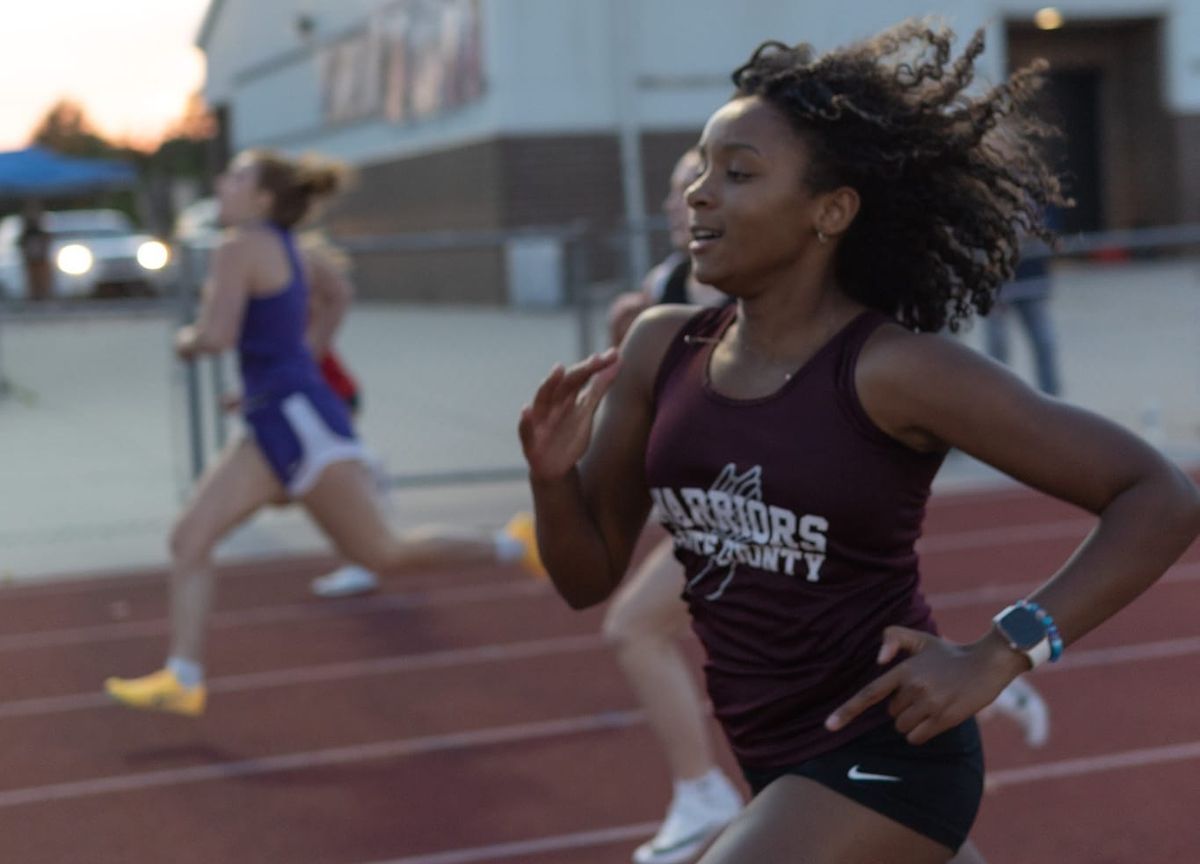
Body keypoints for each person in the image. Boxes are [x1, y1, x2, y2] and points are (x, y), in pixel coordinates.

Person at [518, 22, 1200, 864]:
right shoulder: (662, 350)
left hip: (888, 756)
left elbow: (1159, 496)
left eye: (738, 173)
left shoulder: (896, 372)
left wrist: (1000, 652)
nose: (699, 192)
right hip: (769, 755)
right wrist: (551, 481)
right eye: (701, 165)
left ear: (830, 211)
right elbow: (587, 582)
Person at [104, 149, 540, 716]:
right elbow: (337, 296)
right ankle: (183, 676)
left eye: (235, 176)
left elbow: (215, 334)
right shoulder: (292, 251)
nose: (221, 183)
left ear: (262, 198)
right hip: (272, 418)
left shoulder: (236, 248)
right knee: (190, 538)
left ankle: (516, 544)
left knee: (383, 552)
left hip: (301, 423)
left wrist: (185, 341)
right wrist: (297, 365)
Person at [983, 239, 1060, 396]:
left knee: (1044, 341)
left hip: (1030, 278)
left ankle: (1051, 397)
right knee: (998, 345)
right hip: (997, 283)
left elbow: (1045, 237)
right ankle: (997, 396)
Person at [18, 202, 52, 302]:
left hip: (41, 259)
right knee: (32, 277)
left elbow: (46, 243)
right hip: (31, 259)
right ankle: (34, 295)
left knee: (42, 277)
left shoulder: (42, 233)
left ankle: (43, 294)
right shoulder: (26, 234)